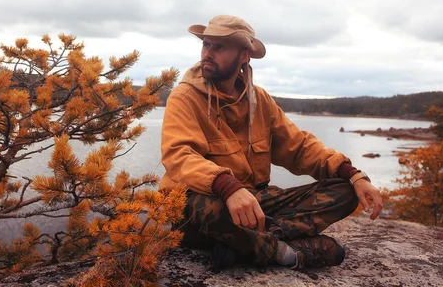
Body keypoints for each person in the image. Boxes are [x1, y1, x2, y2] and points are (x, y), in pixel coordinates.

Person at [160, 15, 382, 270]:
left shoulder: (259, 100)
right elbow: (179, 155)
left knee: (344, 190)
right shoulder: (184, 97)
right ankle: (285, 253)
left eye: (219, 46)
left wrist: (354, 175)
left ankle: (246, 242)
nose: (208, 53)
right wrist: (228, 187)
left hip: (254, 202)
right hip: (200, 205)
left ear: (245, 55)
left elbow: (299, 147)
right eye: (206, 44)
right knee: (209, 208)